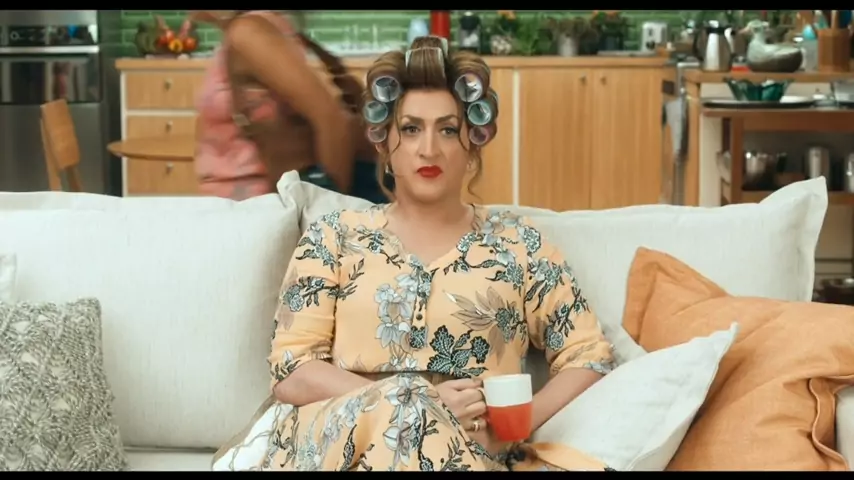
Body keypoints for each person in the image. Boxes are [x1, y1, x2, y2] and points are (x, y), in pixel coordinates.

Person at [221, 36, 616, 471]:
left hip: (469, 452)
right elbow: (292, 369)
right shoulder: (334, 236)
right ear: (385, 146)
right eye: (411, 129)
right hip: (340, 446)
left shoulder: (519, 246)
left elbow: (588, 355)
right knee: (408, 423)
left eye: (447, 129)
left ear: (472, 146)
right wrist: (417, 402)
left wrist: (514, 427)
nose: (429, 148)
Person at [192, 10, 387, 202]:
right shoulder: (257, 30)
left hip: (259, 206)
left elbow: (331, 120)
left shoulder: (249, 33)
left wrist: (323, 213)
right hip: (250, 205)